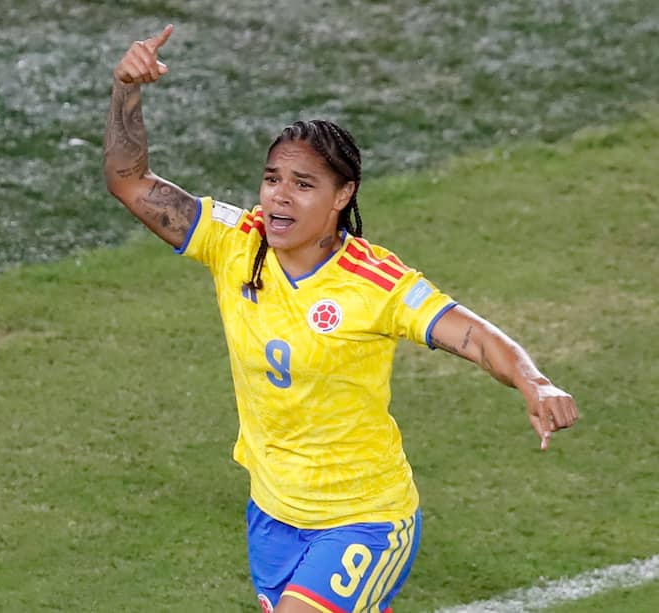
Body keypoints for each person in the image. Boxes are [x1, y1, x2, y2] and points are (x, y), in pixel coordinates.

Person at [103, 25, 579, 613]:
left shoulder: (375, 283)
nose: (279, 197)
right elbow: (129, 182)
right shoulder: (235, 241)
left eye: (303, 185)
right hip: (273, 513)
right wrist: (126, 89)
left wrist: (534, 381)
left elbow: (474, 336)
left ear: (341, 195)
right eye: (273, 179)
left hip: (365, 520)